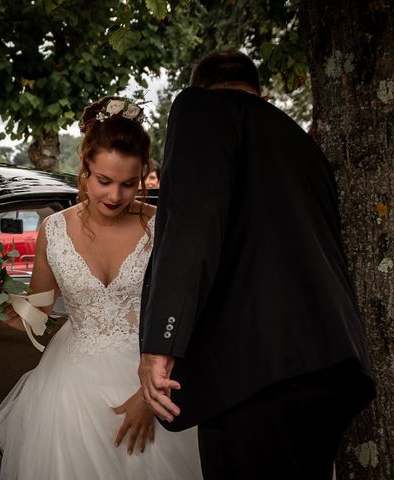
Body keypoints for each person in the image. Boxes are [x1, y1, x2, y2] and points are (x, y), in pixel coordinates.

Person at [138, 50, 376, 479]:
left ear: (200, 88)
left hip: (254, 374)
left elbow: (193, 227)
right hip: (331, 367)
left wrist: (161, 345)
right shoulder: (301, 143)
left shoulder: (200, 110)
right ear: (259, 94)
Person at [0, 97, 202, 479]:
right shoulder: (54, 230)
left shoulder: (161, 226)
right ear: (84, 167)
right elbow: (37, 314)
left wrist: (149, 398)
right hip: (69, 387)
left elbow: (187, 313)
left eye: (128, 184)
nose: (115, 197)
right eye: (104, 181)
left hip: (149, 376)